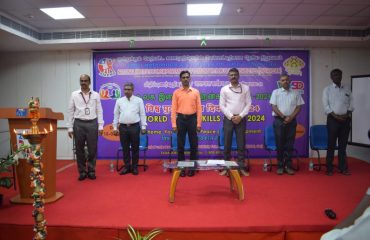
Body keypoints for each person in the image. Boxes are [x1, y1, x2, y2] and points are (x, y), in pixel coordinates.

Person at [67, 74, 104, 181]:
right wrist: (69, 127)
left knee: (92, 149)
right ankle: (82, 172)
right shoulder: (74, 94)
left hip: (92, 123)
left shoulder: (96, 95)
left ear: (89, 82)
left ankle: (91, 171)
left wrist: (100, 126)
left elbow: (99, 111)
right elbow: (70, 111)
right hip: (78, 124)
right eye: (81, 81)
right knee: (79, 150)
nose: (83, 83)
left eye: (85, 81)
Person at [219, 68, 252, 177]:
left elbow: (248, 104)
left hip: (241, 119)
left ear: (238, 76)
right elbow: (222, 105)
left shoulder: (246, 88)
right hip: (229, 119)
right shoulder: (224, 89)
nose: (233, 76)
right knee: (227, 144)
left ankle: (241, 168)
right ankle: (227, 168)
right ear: (228, 76)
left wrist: (240, 116)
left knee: (241, 144)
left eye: (235, 74)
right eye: (231, 75)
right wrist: (232, 116)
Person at [269, 73, 304, 175]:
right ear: (280, 82)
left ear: (290, 81)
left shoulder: (296, 93)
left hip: (292, 121)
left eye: (287, 80)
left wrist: (290, 117)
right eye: (283, 80)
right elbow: (274, 106)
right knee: (279, 144)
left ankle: (288, 166)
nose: (285, 82)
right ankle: (280, 166)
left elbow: (299, 107)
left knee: (289, 144)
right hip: (279, 120)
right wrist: (284, 117)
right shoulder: (275, 92)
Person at [322, 69, 354, 176]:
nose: (337, 76)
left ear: (341, 75)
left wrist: (347, 114)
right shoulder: (327, 90)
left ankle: (343, 168)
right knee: (331, 145)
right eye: (334, 75)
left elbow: (352, 103)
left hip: (345, 120)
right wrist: (336, 116)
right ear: (331, 77)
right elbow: (326, 106)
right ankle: (329, 169)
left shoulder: (347, 89)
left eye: (339, 75)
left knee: (342, 146)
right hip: (332, 120)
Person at [171, 70, 202, 177]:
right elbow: (173, 109)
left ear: (190, 78)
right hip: (181, 120)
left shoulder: (195, 92)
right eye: (183, 77)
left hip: (192, 120)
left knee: (194, 145)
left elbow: (199, 109)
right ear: (180, 79)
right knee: (180, 145)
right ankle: (182, 168)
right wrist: (174, 125)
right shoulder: (176, 92)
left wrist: (199, 124)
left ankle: (192, 168)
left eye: (187, 77)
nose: (185, 79)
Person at [113, 82, 147, 175]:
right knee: (125, 148)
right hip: (123, 127)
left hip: (135, 127)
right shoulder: (119, 101)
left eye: (129, 89)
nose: (127, 91)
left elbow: (142, 114)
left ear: (133, 90)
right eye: (125, 89)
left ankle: (134, 167)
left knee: (135, 148)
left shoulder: (138, 100)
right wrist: (115, 127)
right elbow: (116, 115)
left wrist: (143, 126)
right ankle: (127, 166)